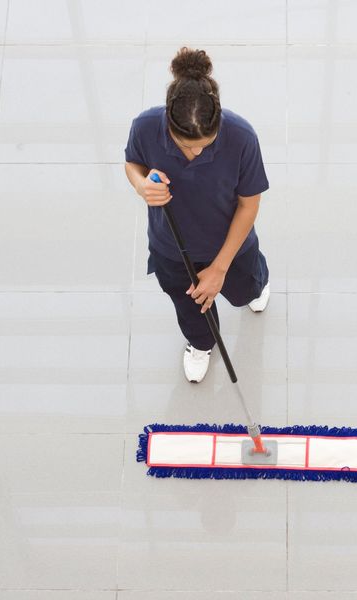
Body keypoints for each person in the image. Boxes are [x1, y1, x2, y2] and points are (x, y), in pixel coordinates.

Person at [123, 47, 271, 384]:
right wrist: (142, 185)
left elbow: (249, 204)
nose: (196, 152)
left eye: (205, 144)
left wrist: (219, 269)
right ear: (168, 125)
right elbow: (132, 163)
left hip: (230, 244)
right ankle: (200, 343)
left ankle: (257, 285)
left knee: (247, 289)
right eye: (186, 146)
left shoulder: (242, 138)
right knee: (191, 306)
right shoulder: (145, 126)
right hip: (172, 246)